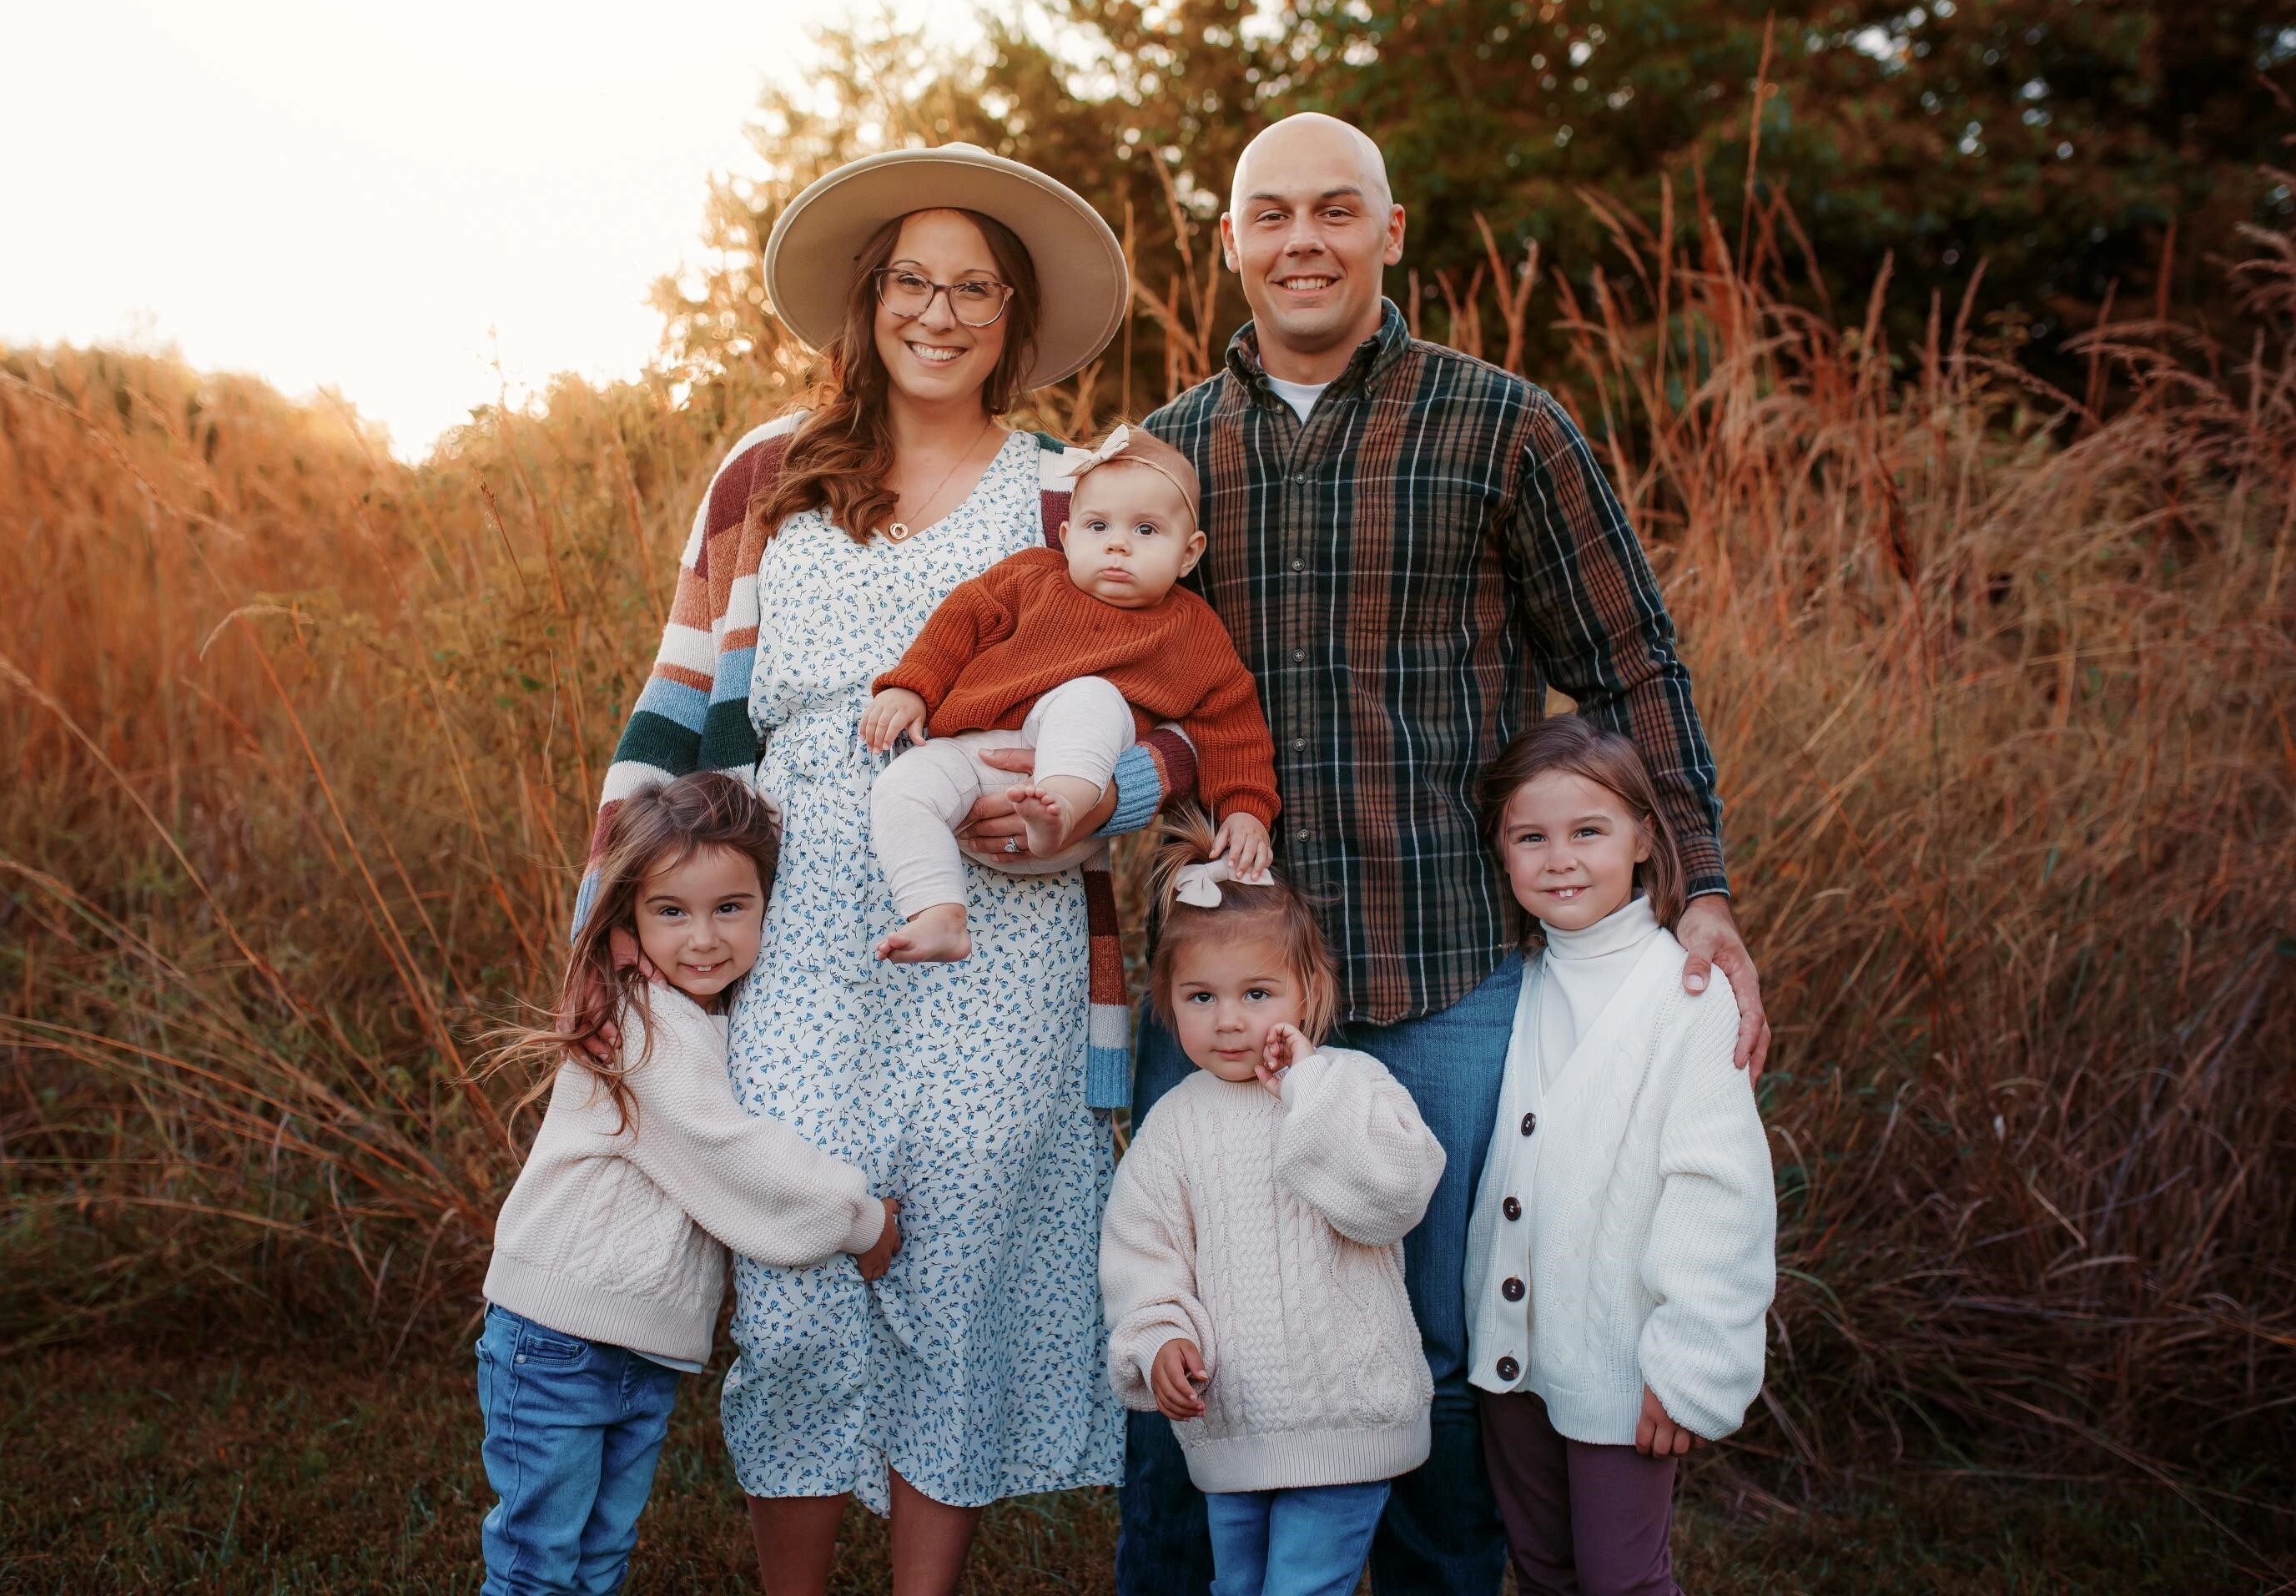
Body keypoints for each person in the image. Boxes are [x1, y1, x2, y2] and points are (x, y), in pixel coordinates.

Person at [1115, 112, 1772, 1594]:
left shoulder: (1501, 424)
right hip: (1220, 969)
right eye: (1270, 213)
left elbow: (1629, 664)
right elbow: (1086, 682)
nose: (1302, 240)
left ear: (1389, 231)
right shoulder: (1161, 454)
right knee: (1186, 1315)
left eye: (1335, 211)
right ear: (1227, 241)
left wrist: (1704, 888)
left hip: (1444, 966)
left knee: (1434, 1336)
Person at [581, 143, 1196, 1595]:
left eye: (972, 285)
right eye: (911, 280)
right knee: (793, 1271)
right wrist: (608, 914)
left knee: (958, 1277)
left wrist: (1092, 797)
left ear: (1011, 313)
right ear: (868, 301)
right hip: (792, 901)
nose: (939, 309)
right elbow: (677, 706)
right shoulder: (768, 471)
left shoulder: (1071, 488)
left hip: (1005, 917)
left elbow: (1178, 698)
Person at [476, 773, 904, 1596]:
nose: (702, 938)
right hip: (557, 1335)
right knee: (538, 1564)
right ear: (628, 918)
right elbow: (730, 1153)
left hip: (638, 1345)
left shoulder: (707, 1016)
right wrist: (858, 1219)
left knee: (599, 1556)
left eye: (729, 908)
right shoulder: (641, 1026)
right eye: (671, 911)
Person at [1463, 717, 1775, 1593]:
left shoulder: (1687, 994)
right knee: (1543, 1568)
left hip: (1621, 1362)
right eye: (1531, 837)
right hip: (1510, 1354)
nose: (1559, 859)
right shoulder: (1514, 981)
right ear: (1502, 850)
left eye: (1587, 831)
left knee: (1620, 1579)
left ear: (1644, 837)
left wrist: (1691, 1364)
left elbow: (1719, 1193)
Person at [1100, 810, 1445, 1596]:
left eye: (1257, 993)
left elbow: (1394, 1197)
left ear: (1307, 990)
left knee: (1302, 1588)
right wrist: (1157, 1339)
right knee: (1239, 1586)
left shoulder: (1349, 1087)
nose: (1229, 1020)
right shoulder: (1175, 1123)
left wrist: (1307, 1086)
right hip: (1232, 1428)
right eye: (1200, 996)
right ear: (1166, 999)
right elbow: (1141, 1253)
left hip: (1348, 1420)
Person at [860, 421, 1276, 963]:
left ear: (1189, 553)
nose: (1118, 545)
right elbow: (956, 627)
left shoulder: (1191, 631)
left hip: (1075, 809)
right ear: (1065, 537)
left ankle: (1055, 804)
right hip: (972, 769)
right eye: (1097, 526)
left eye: (1147, 531)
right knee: (901, 786)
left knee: (1089, 697)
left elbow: (1231, 721)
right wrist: (913, 688)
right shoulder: (1031, 578)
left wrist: (1245, 809)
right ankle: (938, 912)